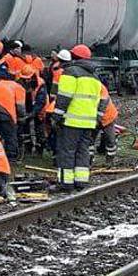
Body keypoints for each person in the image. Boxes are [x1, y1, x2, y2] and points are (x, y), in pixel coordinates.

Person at [52, 44, 105, 190]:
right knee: (83, 151)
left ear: (74, 57)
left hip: (71, 121)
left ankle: (66, 183)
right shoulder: (95, 77)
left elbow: (64, 97)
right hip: (88, 123)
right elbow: (99, 100)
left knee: (67, 152)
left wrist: (56, 117)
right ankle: (81, 181)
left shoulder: (70, 72)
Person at [96, 84, 119, 162]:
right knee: (90, 139)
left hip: (108, 117)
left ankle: (110, 159)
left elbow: (103, 103)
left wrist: (97, 119)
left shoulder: (100, 88)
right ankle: (91, 158)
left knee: (110, 139)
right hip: (95, 117)